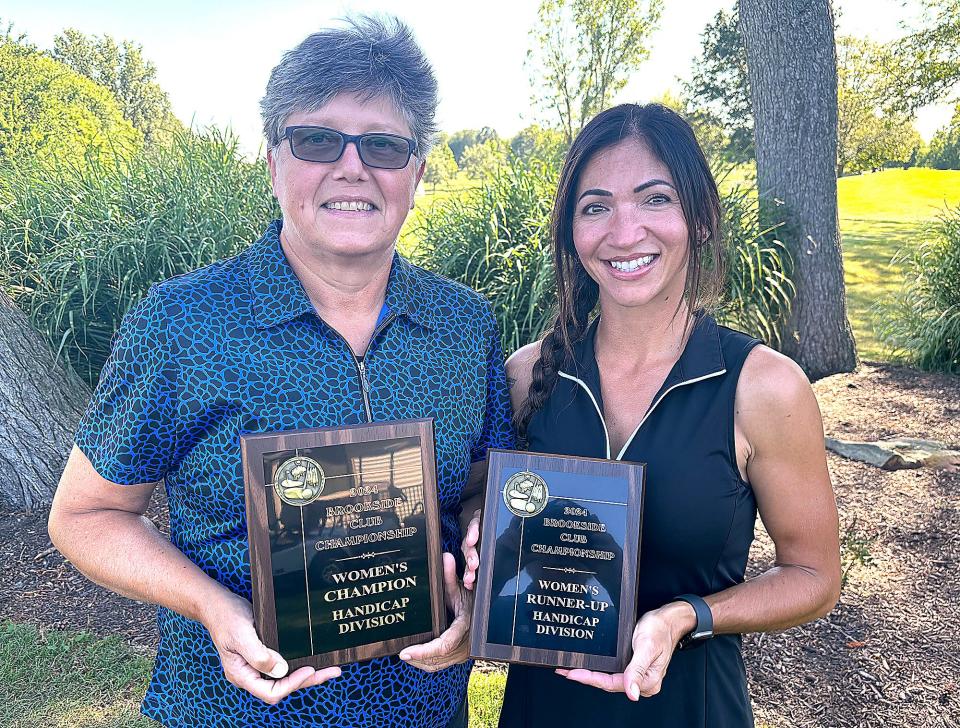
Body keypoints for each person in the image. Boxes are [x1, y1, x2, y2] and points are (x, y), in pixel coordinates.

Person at [48, 16, 512, 728]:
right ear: (273, 161)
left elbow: (478, 484)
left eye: (384, 145)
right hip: (240, 710)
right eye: (317, 140)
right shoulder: (184, 323)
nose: (352, 167)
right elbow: (86, 516)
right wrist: (213, 606)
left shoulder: (464, 324)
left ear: (416, 172)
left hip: (426, 710)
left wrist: (477, 574)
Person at [462, 103, 841, 727]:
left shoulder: (764, 387)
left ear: (700, 215)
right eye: (595, 206)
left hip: (689, 708)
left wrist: (686, 616)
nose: (625, 231)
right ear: (571, 231)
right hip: (541, 710)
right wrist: (481, 527)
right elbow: (480, 499)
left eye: (655, 198)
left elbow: (814, 575)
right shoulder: (529, 373)